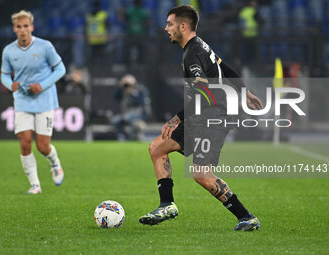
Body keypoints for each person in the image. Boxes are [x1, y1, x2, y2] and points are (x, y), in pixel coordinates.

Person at [139, 5, 263, 231]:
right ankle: (167, 205)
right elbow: (223, 67)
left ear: (183, 26)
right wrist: (244, 91)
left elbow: (203, 93)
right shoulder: (200, 46)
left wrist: (177, 118)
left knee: (202, 174)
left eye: (170, 24)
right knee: (157, 147)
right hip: (202, 114)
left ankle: (246, 217)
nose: (166, 28)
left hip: (213, 115)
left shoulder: (193, 52)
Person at [0, 10, 66, 194]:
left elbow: (60, 69)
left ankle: (55, 163)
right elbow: (5, 75)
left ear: (32, 27)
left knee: (42, 146)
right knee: (25, 142)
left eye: (26, 26)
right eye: (19, 27)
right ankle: (35, 185)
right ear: (14, 29)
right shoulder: (9, 51)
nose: (22, 30)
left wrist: (42, 85)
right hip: (22, 100)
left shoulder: (45, 47)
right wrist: (10, 85)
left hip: (44, 100)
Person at [111, 74, 151, 141]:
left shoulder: (140, 89)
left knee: (128, 118)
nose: (128, 86)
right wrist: (120, 85)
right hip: (126, 114)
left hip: (139, 114)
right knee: (115, 121)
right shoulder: (124, 90)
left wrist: (132, 93)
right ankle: (122, 136)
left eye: (129, 84)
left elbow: (142, 102)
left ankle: (133, 137)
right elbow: (115, 96)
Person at [85, 0, 108, 67]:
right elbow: (86, 27)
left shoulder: (103, 15)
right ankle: (93, 70)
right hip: (92, 40)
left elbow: (107, 26)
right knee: (93, 58)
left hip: (101, 40)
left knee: (102, 57)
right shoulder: (89, 15)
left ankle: (102, 70)